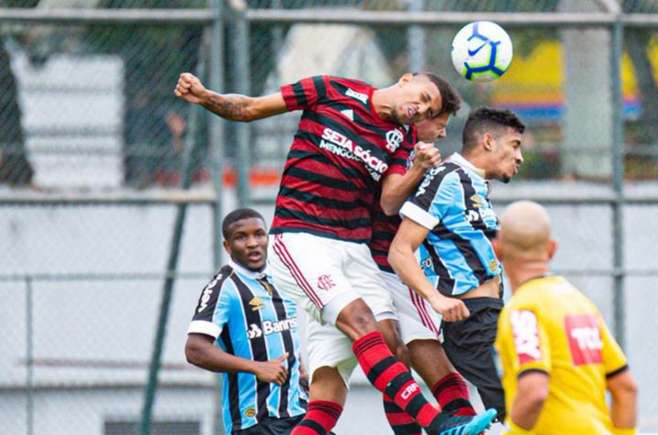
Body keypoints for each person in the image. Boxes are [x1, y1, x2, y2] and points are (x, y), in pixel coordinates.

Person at [175, 72, 497, 435]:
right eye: (423, 98)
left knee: (378, 352)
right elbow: (250, 108)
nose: (421, 109)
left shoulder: (402, 138)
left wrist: (419, 167)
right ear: (405, 80)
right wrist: (206, 96)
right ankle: (441, 425)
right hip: (301, 237)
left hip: (354, 250)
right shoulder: (331, 90)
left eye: (429, 110)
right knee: (362, 322)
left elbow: (389, 201)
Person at [304, 113, 477, 435]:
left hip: (341, 267)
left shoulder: (403, 153)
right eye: (439, 121)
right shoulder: (394, 151)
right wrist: (418, 169)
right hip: (371, 267)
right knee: (406, 356)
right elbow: (388, 203)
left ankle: (458, 425)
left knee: (332, 400)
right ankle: (446, 426)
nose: (442, 133)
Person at [389, 107, 526, 421]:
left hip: (492, 316)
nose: (519, 157)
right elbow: (400, 251)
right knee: (523, 407)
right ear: (489, 141)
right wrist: (436, 298)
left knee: (520, 406)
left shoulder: (476, 184)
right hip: (472, 321)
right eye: (515, 145)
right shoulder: (447, 178)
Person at [493, 200, 638, 434]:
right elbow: (625, 387)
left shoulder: (523, 310)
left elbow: (534, 391)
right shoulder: (581, 304)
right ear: (551, 249)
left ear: (497, 250)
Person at [185, 208, 307, 434]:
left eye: (259, 234)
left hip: (298, 410)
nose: (252, 243)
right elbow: (194, 349)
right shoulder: (223, 288)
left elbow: (281, 331)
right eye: (242, 237)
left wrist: (301, 369)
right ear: (227, 246)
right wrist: (256, 367)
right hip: (255, 420)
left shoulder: (282, 277)